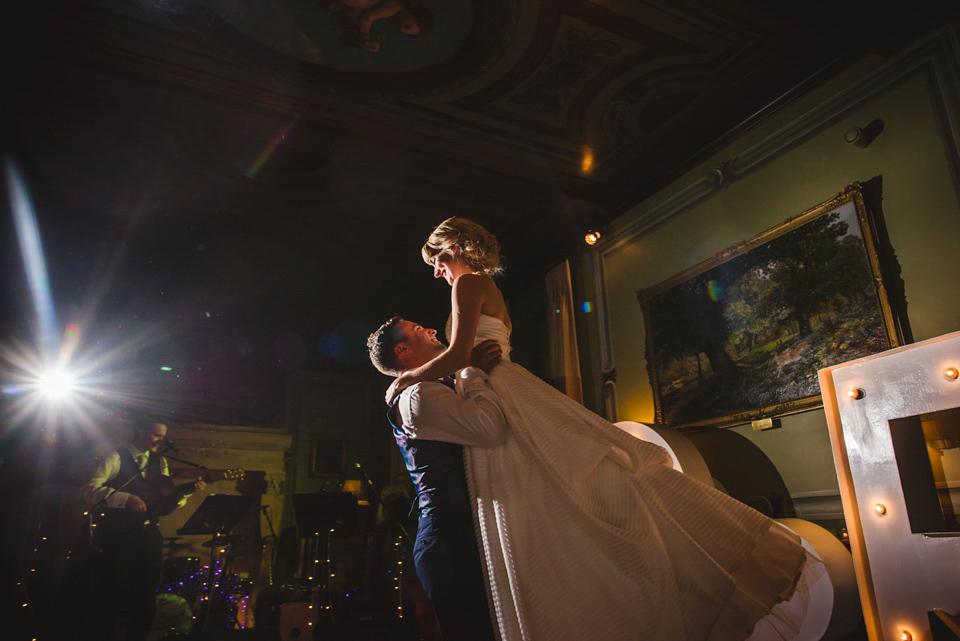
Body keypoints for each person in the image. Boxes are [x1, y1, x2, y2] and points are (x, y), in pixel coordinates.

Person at [384, 217, 811, 641]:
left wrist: (407, 377)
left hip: (497, 389)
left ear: (456, 247)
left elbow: (460, 354)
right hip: (495, 387)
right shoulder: (477, 289)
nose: (438, 271)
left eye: (438, 259)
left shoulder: (468, 284)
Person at [368, 317, 505, 641]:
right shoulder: (418, 396)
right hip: (451, 542)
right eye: (418, 330)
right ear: (402, 350)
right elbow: (490, 429)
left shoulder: (431, 386)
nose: (430, 329)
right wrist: (472, 371)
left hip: (463, 534)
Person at [80, 415, 205, 641]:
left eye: (163, 437)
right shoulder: (116, 456)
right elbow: (89, 489)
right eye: (156, 435)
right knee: (110, 595)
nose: (159, 440)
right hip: (119, 537)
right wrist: (124, 498)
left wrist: (184, 494)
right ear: (140, 432)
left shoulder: (160, 462)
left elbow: (164, 502)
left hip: (149, 537)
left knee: (146, 599)